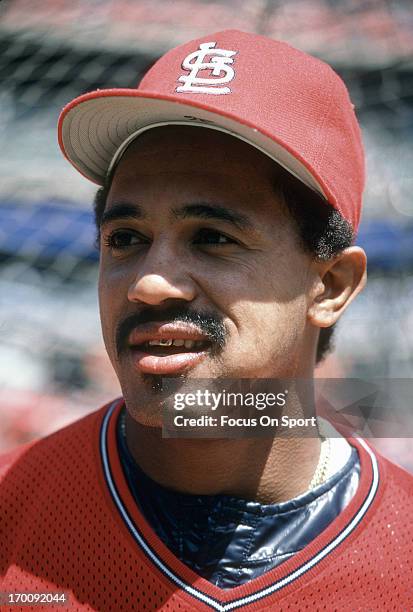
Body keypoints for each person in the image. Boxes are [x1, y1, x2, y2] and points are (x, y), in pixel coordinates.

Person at [1, 29, 412, 611]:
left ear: (330, 286)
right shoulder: (12, 506)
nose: (148, 283)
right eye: (126, 238)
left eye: (213, 237)